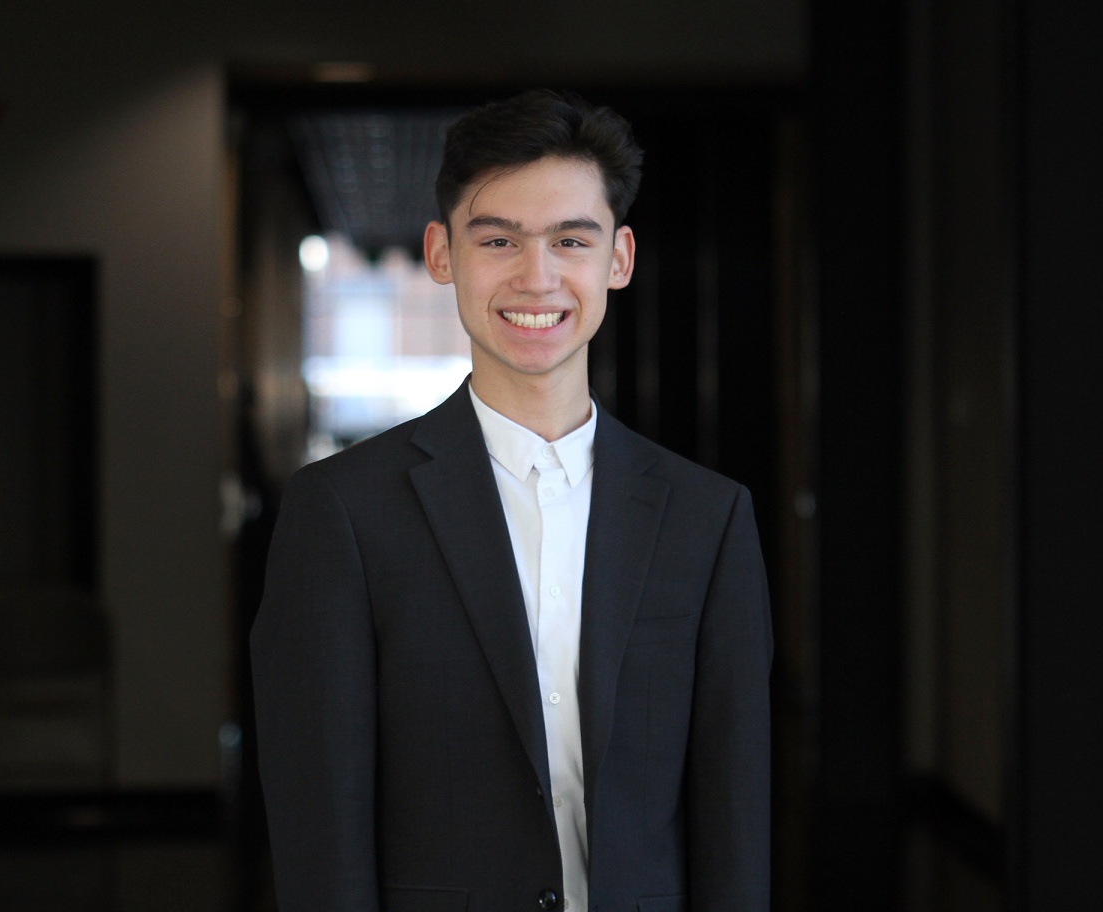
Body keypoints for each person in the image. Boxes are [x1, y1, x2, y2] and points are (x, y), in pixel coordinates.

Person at [251, 89, 772, 912]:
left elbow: (733, 823)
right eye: (498, 239)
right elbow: (321, 820)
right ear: (442, 252)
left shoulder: (708, 520)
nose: (538, 277)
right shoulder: (343, 513)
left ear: (619, 259)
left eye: (572, 239)